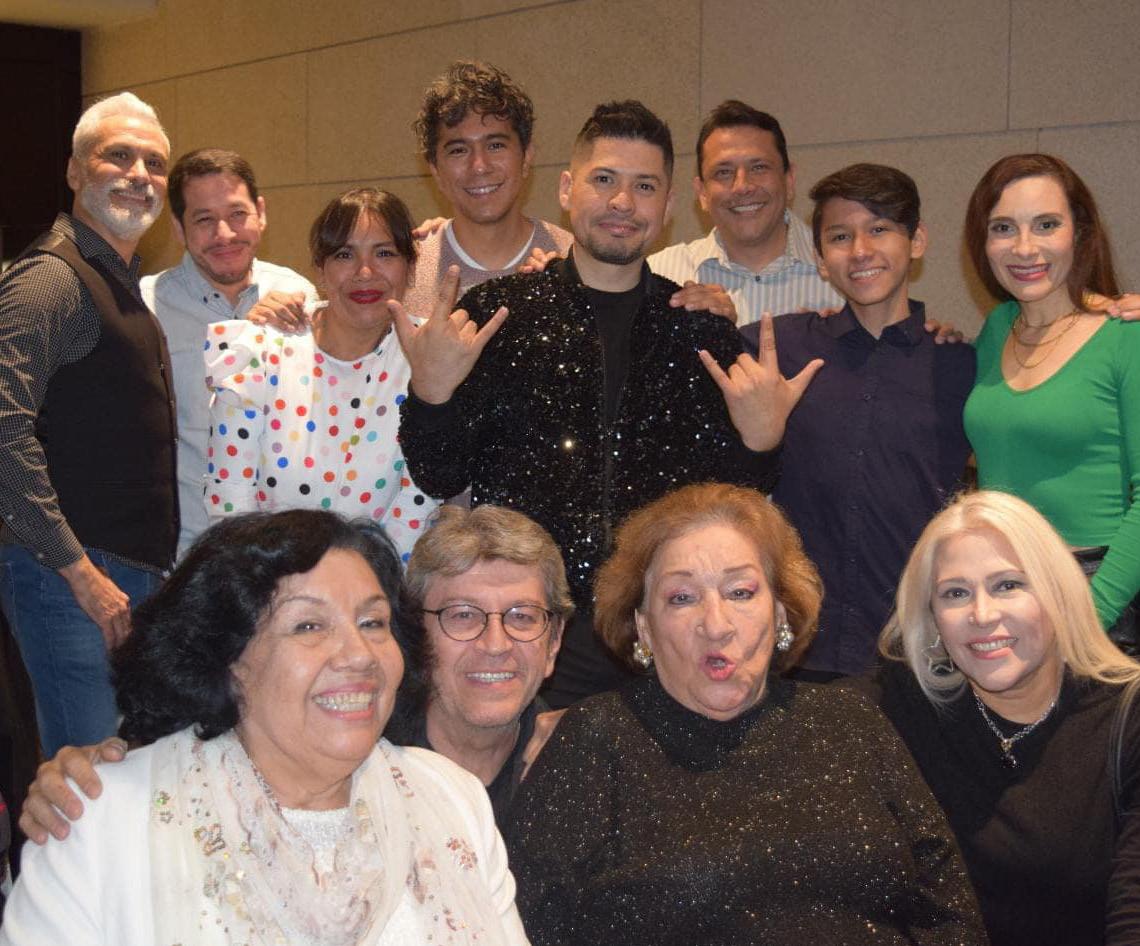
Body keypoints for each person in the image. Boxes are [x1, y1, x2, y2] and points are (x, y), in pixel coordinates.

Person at [395, 101, 814, 707]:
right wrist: (431, 394)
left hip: (661, 628)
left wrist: (762, 443)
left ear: (668, 205)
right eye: (604, 180)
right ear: (568, 189)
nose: (623, 202)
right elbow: (439, 474)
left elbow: (730, 504)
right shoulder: (494, 316)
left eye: (644, 186)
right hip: (528, 628)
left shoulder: (700, 330)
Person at [0, 510, 529, 945]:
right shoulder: (97, 818)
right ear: (229, 658)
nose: (359, 654)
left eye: (373, 622)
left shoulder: (451, 798)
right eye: (309, 625)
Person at [505, 482, 987, 944]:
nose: (716, 625)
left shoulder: (851, 720)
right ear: (644, 627)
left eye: (740, 592)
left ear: (779, 612)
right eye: (682, 598)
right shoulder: (595, 738)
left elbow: (947, 909)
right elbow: (531, 927)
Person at [20, 504, 572, 839]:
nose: (495, 644)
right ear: (417, 637)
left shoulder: (582, 757)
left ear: (555, 643)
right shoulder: (344, 729)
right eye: (463, 616)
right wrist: (96, 773)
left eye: (524, 617)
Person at [861, 490, 1140, 946]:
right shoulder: (893, 706)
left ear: (1059, 595)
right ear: (933, 619)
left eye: (1008, 585)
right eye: (955, 593)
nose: (982, 615)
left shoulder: (1127, 716)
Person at [740, 164, 974, 679]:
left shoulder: (960, 365)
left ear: (917, 241)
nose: (861, 251)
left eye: (880, 229)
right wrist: (704, 304)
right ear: (821, 259)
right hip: (796, 647)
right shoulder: (779, 347)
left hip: (916, 647)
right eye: (840, 237)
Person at [0, 91, 177, 757]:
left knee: (121, 775)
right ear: (75, 172)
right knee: (88, 785)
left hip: (119, 577)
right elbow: (4, 435)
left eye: (154, 163)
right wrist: (77, 572)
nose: (139, 175)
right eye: (118, 156)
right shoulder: (49, 279)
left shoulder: (121, 282)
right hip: (70, 579)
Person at [204, 187, 439, 561]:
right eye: (344, 254)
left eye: (384, 253)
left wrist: (363, 586)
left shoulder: (430, 352)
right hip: (268, 579)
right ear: (319, 267)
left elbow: (418, 501)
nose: (365, 272)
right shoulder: (261, 349)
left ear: (411, 267)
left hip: (383, 580)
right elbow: (231, 502)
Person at [963, 153, 1140, 643]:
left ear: (1079, 233)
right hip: (1003, 587)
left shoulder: (1126, 335)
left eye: (1046, 225)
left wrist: (1090, 616)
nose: (1024, 248)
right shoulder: (997, 329)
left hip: (1098, 591)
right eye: (1003, 228)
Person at [143, 148, 317, 555]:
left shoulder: (298, 293)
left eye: (237, 214)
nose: (224, 234)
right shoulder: (146, 306)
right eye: (204, 219)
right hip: (187, 550)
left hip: (285, 548)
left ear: (261, 213)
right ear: (178, 228)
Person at [648, 100, 842, 324]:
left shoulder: (848, 273)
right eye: (723, 172)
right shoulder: (658, 275)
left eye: (759, 168)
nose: (742, 186)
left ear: (789, 180)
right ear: (702, 193)